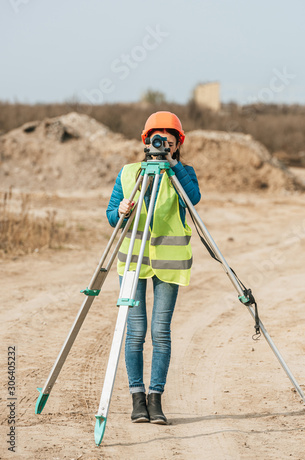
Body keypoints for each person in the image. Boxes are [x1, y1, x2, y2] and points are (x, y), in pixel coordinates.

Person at [106, 111, 201, 425]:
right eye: (158, 141)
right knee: (135, 333)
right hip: (133, 260)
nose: (164, 146)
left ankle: (155, 398)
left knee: (160, 333)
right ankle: (137, 398)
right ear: (146, 141)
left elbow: (193, 199)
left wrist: (173, 167)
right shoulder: (130, 172)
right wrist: (119, 210)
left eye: (170, 143)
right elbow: (111, 216)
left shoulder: (182, 172)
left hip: (168, 263)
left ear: (177, 146)